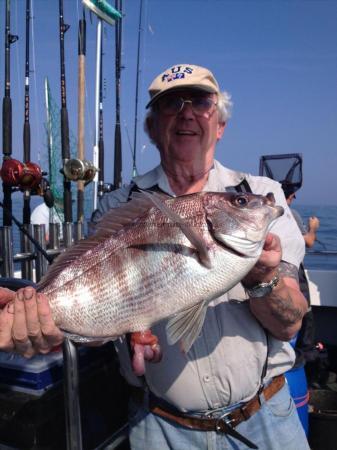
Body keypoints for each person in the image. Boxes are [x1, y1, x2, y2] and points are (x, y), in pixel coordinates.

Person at [0, 64, 310, 450]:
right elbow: (100, 319)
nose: (187, 112)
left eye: (201, 101)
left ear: (221, 123)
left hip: (265, 417)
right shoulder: (118, 207)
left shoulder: (264, 192)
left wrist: (262, 280)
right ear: (151, 128)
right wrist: (43, 320)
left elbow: (290, 326)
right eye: (170, 104)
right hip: (162, 428)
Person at [282, 184, 320, 368]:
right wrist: (313, 227)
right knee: (305, 313)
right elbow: (309, 242)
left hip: (276, 272)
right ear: (291, 196)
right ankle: (305, 358)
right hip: (293, 271)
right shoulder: (291, 213)